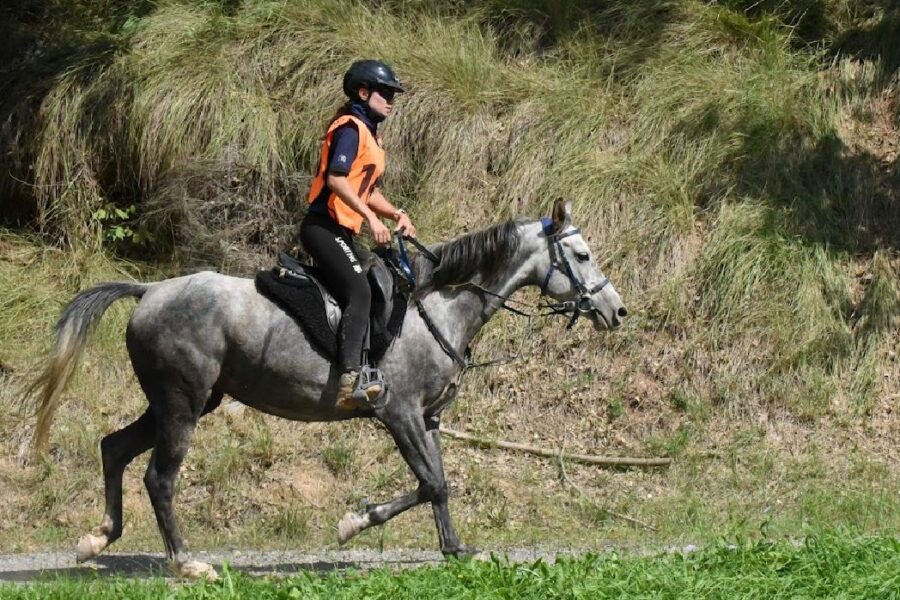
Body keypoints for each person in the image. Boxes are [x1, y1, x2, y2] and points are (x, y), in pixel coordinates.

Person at [301, 59, 416, 407]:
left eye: (393, 93)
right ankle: (350, 378)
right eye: (385, 93)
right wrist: (371, 219)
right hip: (323, 227)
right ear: (363, 93)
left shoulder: (370, 134)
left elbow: (367, 190)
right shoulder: (350, 128)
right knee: (360, 291)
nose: (391, 99)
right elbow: (336, 180)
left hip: (342, 232)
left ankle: (371, 365)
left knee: (383, 281)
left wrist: (395, 212)